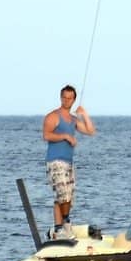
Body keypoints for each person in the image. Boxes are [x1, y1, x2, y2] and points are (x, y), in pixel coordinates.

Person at [41, 85, 96, 238]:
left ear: (73, 99)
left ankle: (58, 229)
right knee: (63, 195)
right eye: (64, 97)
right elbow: (46, 135)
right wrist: (65, 136)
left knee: (67, 197)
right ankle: (66, 224)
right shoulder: (53, 116)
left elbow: (91, 131)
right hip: (55, 161)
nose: (67, 100)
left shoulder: (73, 119)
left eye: (70, 98)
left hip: (68, 162)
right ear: (61, 97)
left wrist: (84, 114)